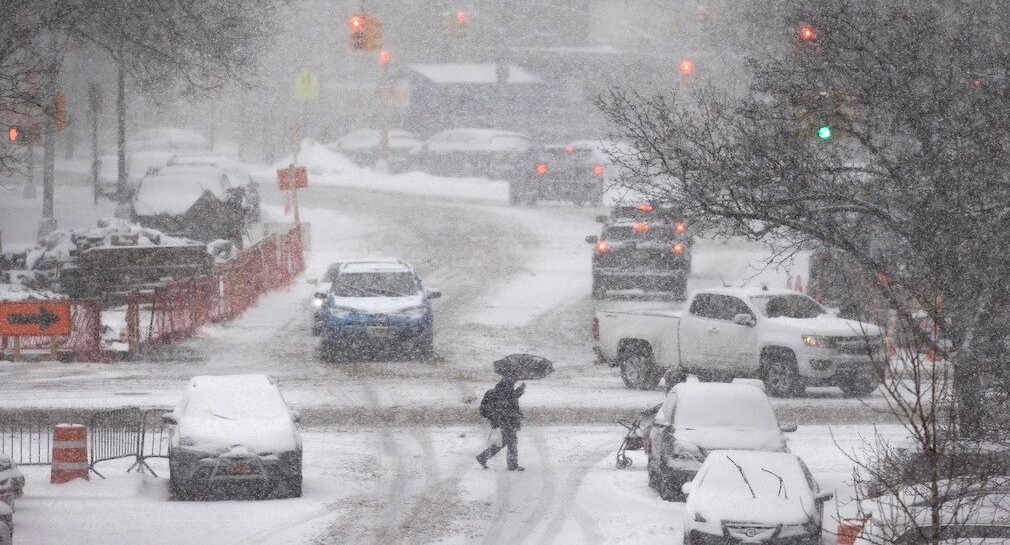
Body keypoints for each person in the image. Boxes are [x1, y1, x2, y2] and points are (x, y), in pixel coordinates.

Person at [476, 376, 526, 471]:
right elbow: (509, 402)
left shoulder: (496, 391)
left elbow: (511, 398)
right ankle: (512, 465)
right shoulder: (504, 393)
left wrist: (520, 390)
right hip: (506, 420)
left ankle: (483, 457)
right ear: (507, 384)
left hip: (504, 420)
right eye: (512, 384)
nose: (512, 386)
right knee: (512, 441)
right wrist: (520, 390)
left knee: (505, 441)